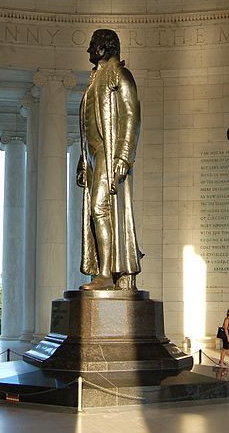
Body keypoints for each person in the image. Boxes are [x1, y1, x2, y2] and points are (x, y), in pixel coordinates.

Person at [76, 29, 144, 291]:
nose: (89, 51)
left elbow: (131, 116)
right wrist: (83, 161)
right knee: (95, 214)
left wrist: (124, 156)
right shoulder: (95, 81)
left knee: (99, 209)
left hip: (109, 152)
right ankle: (102, 271)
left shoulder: (119, 74)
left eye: (92, 45)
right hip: (93, 155)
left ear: (104, 47)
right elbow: (86, 125)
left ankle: (105, 274)